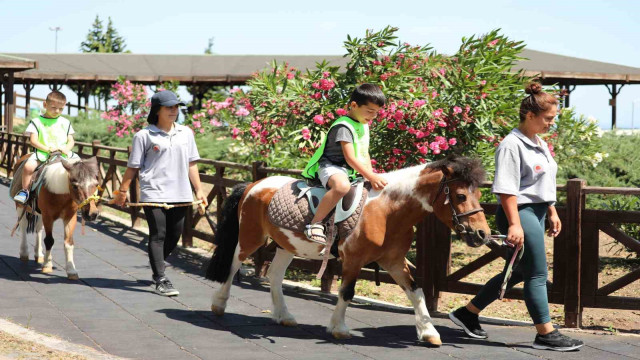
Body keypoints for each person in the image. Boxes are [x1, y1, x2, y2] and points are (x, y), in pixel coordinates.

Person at [448, 82, 584, 351]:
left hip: (537, 212)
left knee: (521, 271)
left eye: (553, 119)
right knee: (537, 273)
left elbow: (543, 183)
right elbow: (507, 190)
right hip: (519, 213)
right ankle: (545, 333)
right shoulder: (511, 145)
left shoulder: (539, 143)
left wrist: (552, 211)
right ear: (530, 116)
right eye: (548, 119)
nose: (551, 124)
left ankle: (468, 313)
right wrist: (514, 223)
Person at [114, 90, 207, 296]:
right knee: (159, 234)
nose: (174, 111)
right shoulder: (143, 136)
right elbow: (133, 167)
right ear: (157, 110)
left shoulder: (186, 133)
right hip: (154, 192)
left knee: (175, 235)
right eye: (169, 107)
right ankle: (161, 278)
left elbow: (192, 163)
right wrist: (122, 190)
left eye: (176, 107)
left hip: (181, 193)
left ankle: (157, 264)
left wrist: (199, 190)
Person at [301, 83, 388, 244]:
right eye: (370, 111)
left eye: (376, 112)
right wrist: (369, 175)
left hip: (350, 170)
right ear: (354, 105)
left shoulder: (363, 125)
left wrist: (371, 175)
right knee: (342, 187)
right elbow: (350, 158)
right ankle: (315, 224)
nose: (373, 116)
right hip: (331, 166)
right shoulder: (344, 126)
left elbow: (364, 153)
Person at [14, 90, 79, 204]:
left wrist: (67, 148)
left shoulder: (65, 122)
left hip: (63, 153)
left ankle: (84, 196)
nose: (57, 111)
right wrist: (47, 149)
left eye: (61, 109)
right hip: (43, 153)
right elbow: (33, 141)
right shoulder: (37, 122)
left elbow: (71, 140)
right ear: (45, 105)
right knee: (29, 167)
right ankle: (25, 191)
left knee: (82, 168)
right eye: (53, 107)